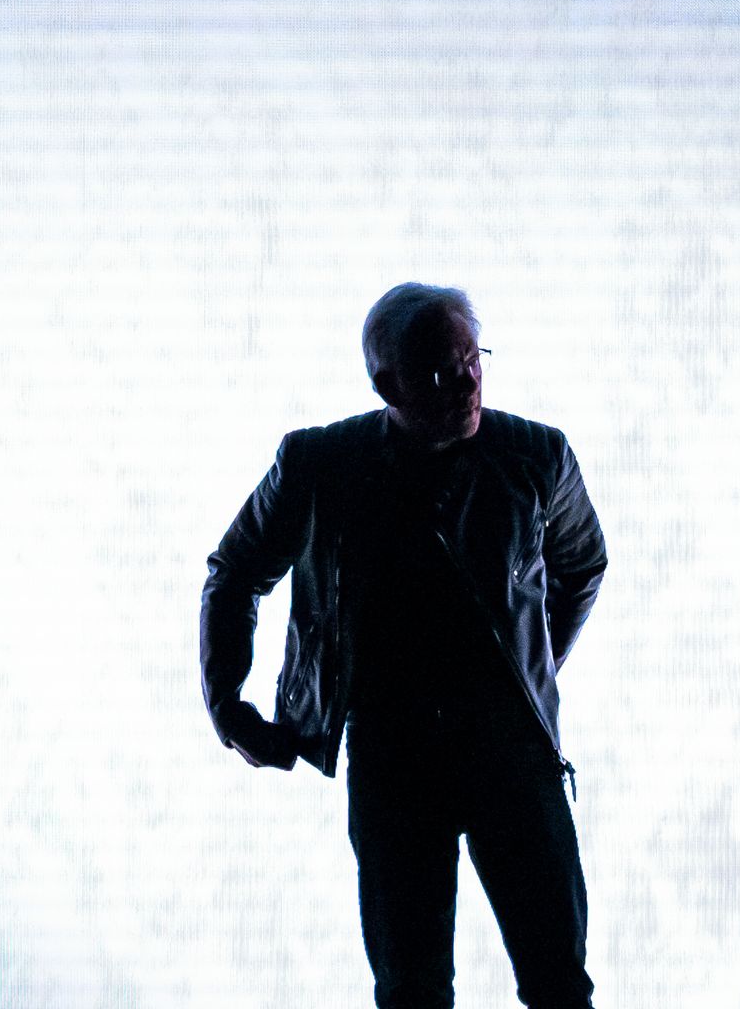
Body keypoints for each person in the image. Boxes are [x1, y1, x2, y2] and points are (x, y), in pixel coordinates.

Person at [199, 282, 607, 1009]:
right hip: (394, 758)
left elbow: (583, 564)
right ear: (387, 384)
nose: (464, 384)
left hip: (512, 754)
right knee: (411, 988)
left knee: (558, 981)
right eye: (439, 374)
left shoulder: (538, 456)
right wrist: (227, 703)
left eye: (471, 361)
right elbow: (235, 571)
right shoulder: (319, 464)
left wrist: (532, 663)